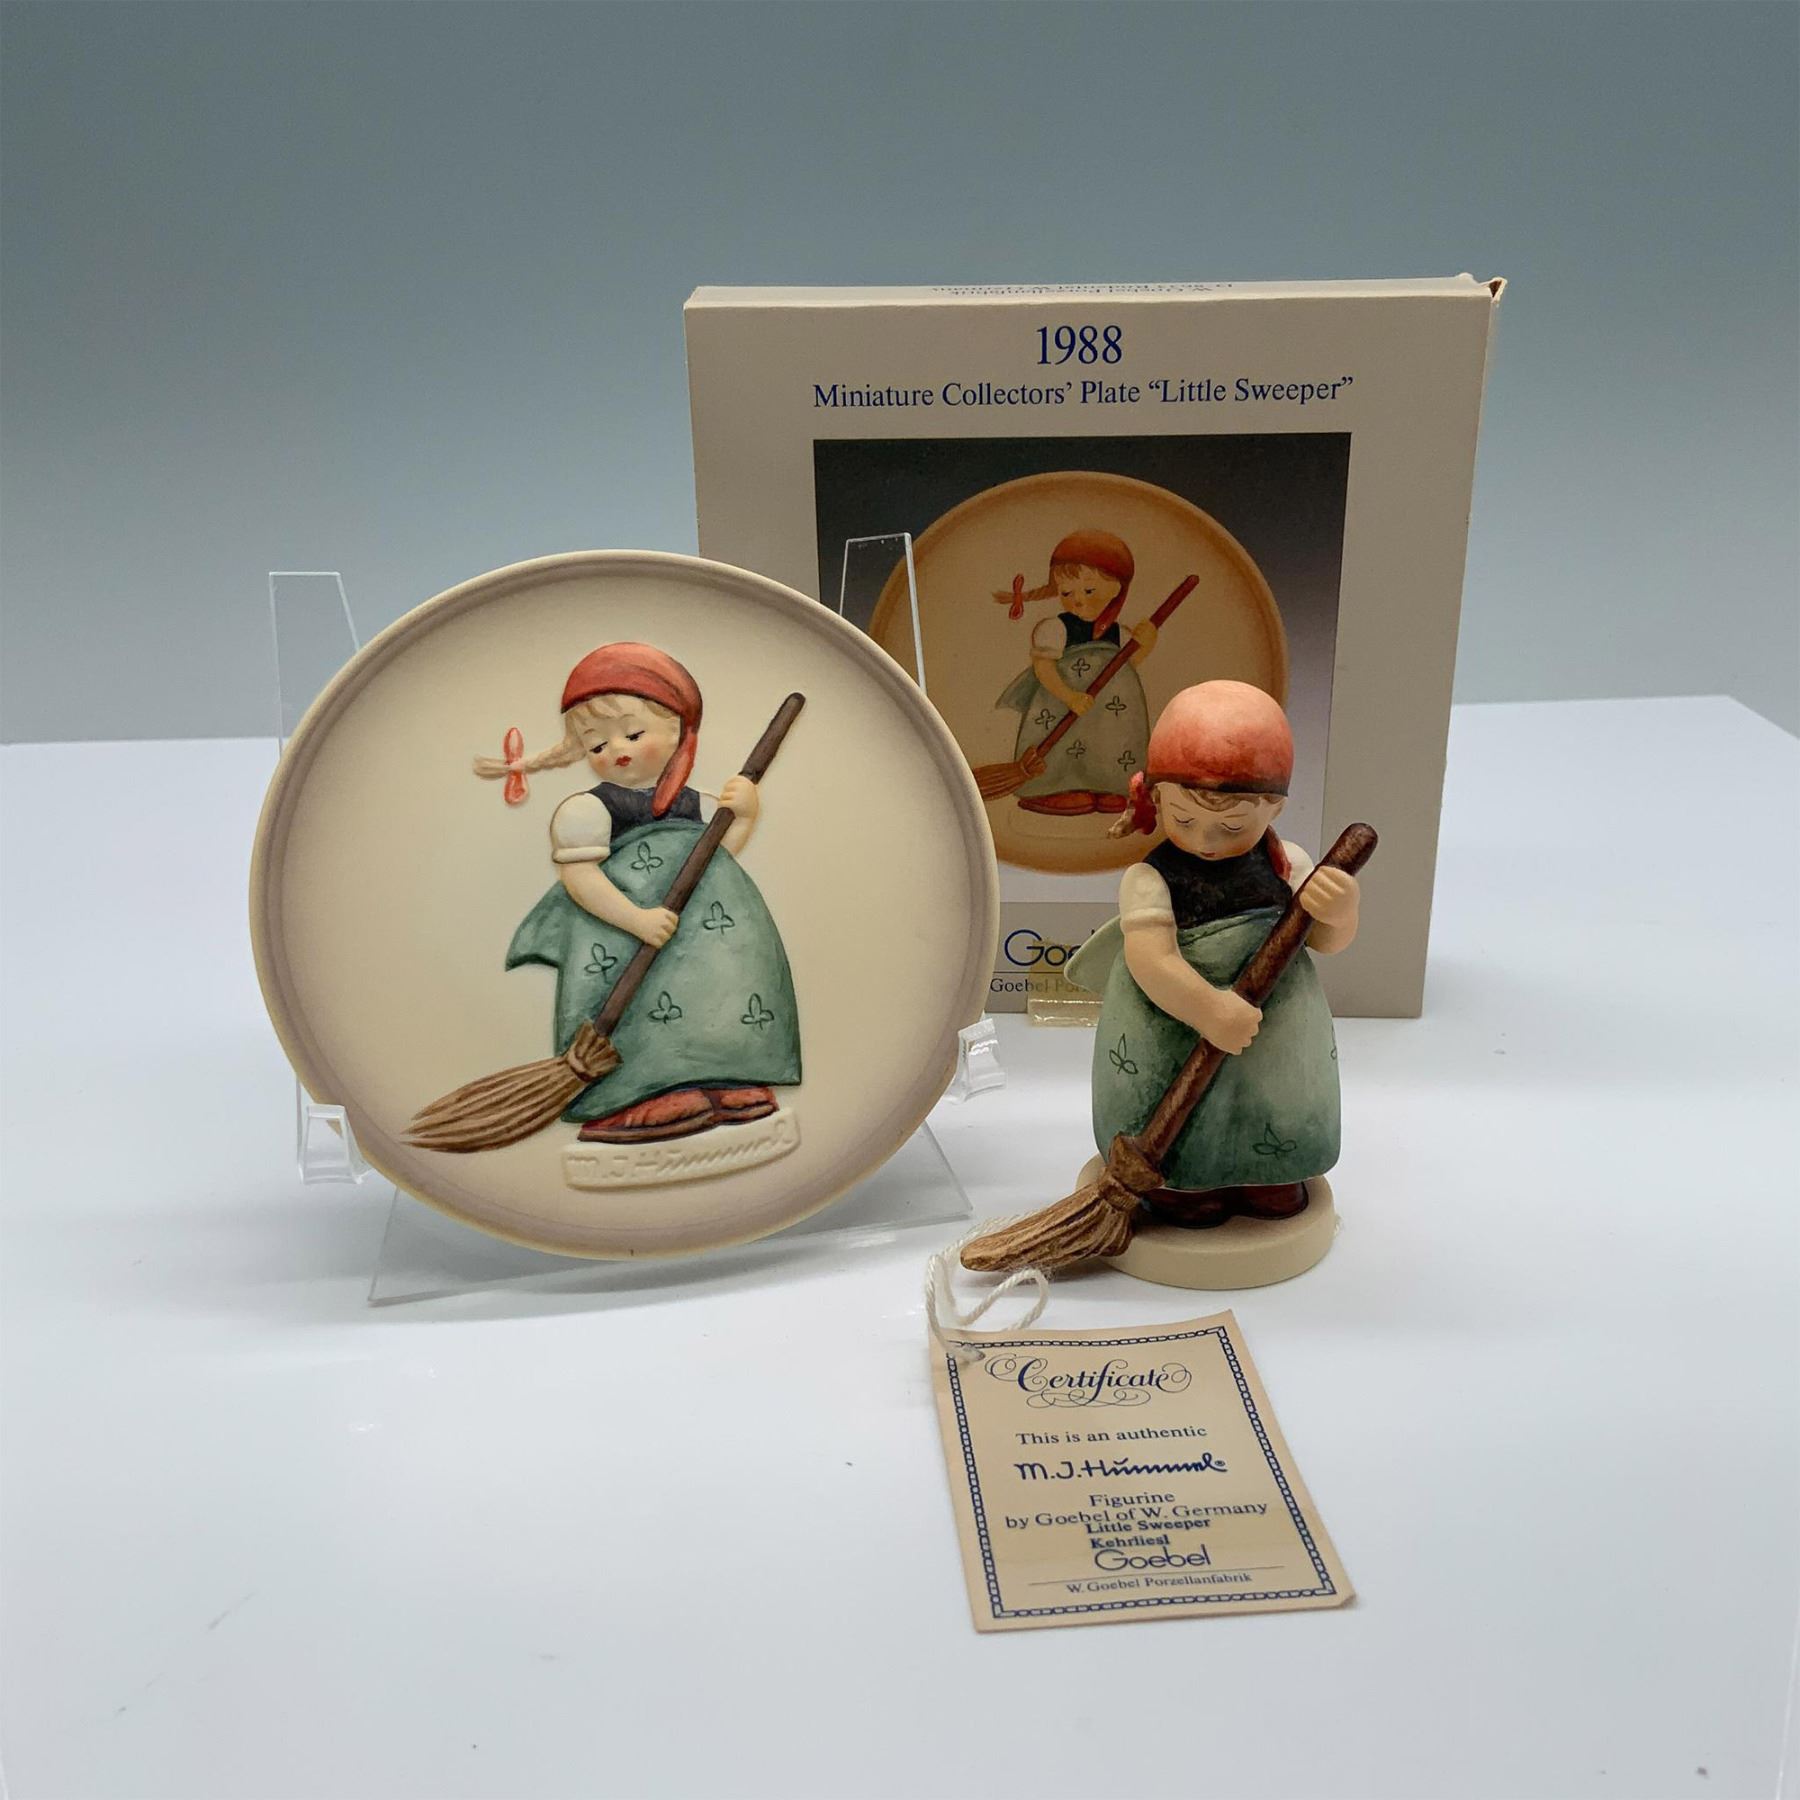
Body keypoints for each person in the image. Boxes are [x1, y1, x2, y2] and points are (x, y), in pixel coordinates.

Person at [473, 642, 800, 1144]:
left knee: (711, 995)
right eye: (596, 746)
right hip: (618, 937)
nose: (616, 750)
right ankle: (628, 1098)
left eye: (632, 733)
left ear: (677, 731)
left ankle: (720, 1076)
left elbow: (716, 860)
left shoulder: (699, 804)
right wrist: (634, 919)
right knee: (632, 1011)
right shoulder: (587, 811)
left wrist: (746, 815)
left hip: (693, 935)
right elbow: (580, 879)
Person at [1066, 680, 1359, 1223]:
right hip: (1175, 1021)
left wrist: (1340, 910)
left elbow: (1326, 941)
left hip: (1275, 1026)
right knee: (1186, 1110)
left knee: (1274, 1096)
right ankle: (1183, 1184)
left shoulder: (1289, 865)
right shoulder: (1149, 880)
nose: (1206, 840)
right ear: (1156, 797)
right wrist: (1207, 1009)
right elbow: (1151, 960)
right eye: (1184, 820)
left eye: (1231, 825)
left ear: (1274, 808)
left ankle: (1272, 1173)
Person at [992, 529, 1158, 816]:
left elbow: (1128, 665)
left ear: (1116, 588)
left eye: (1089, 591)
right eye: (1067, 593)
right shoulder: (1055, 629)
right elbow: (1043, 668)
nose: (1078, 600)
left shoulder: (1119, 633)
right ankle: (1053, 789)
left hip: (1108, 710)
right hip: (1062, 703)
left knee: (1107, 743)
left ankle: (1109, 787)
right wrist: (1068, 696)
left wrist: (1147, 642)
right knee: (1062, 746)